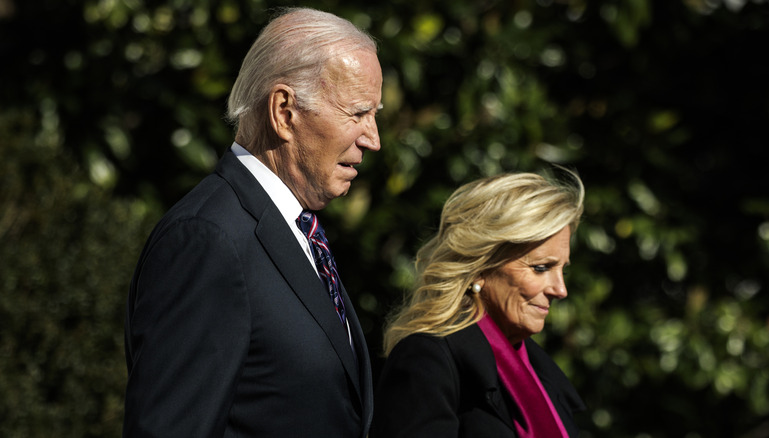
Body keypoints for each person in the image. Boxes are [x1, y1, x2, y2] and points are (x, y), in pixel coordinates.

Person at [123, 7, 382, 437]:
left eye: (374, 114)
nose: (373, 138)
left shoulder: (297, 231)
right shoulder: (207, 239)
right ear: (284, 111)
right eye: (357, 113)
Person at [371, 171, 587, 438]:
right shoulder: (427, 361)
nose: (560, 290)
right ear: (482, 265)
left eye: (562, 270)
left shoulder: (540, 373)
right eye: (541, 268)